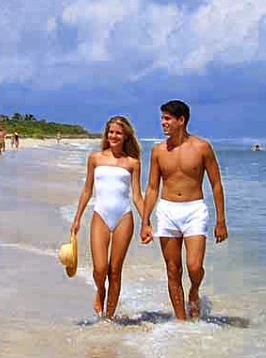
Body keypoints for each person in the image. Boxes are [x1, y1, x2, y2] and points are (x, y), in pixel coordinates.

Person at [143, 100, 227, 321]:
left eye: (167, 118)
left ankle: (194, 291)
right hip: (167, 210)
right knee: (173, 270)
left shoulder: (202, 147)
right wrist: (145, 220)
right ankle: (181, 321)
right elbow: (152, 187)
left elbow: (216, 184)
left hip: (194, 210)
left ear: (181, 120)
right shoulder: (158, 151)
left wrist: (221, 221)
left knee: (194, 266)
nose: (163, 123)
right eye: (162, 118)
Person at [69, 116, 145, 319]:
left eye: (118, 133)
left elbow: (137, 196)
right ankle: (100, 290)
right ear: (106, 134)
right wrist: (77, 218)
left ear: (126, 136)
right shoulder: (95, 158)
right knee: (100, 269)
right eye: (111, 132)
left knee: (115, 271)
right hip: (100, 215)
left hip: (124, 217)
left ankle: (109, 317)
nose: (114, 136)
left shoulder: (133, 163)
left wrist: (146, 222)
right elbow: (87, 190)